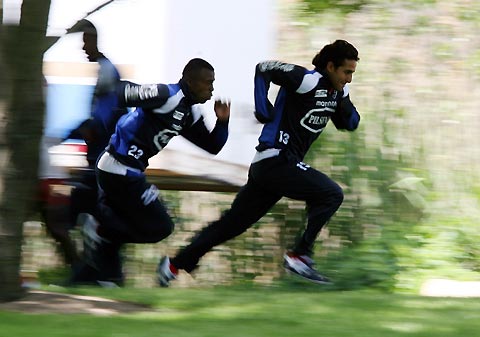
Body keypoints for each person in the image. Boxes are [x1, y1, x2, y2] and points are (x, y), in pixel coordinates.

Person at [158, 39, 360, 286]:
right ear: (330, 66)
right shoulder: (305, 79)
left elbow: (349, 122)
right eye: (346, 72)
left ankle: (174, 265)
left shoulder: (338, 91)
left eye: (352, 73)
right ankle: (300, 255)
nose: (349, 78)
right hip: (276, 160)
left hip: (272, 169)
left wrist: (344, 105)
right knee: (332, 194)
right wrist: (264, 108)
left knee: (231, 225)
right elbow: (264, 68)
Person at [70, 58, 231, 286]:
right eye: (208, 82)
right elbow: (123, 92)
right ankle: (99, 229)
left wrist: (222, 122)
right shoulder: (167, 95)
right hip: (118, 168)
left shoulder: (187, 113)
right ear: (190, 81)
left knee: (129, 226)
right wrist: (108, 129)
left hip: (126, 171)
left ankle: (103, 276)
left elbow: (212, 146)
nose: (212, 88)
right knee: (160, 226)